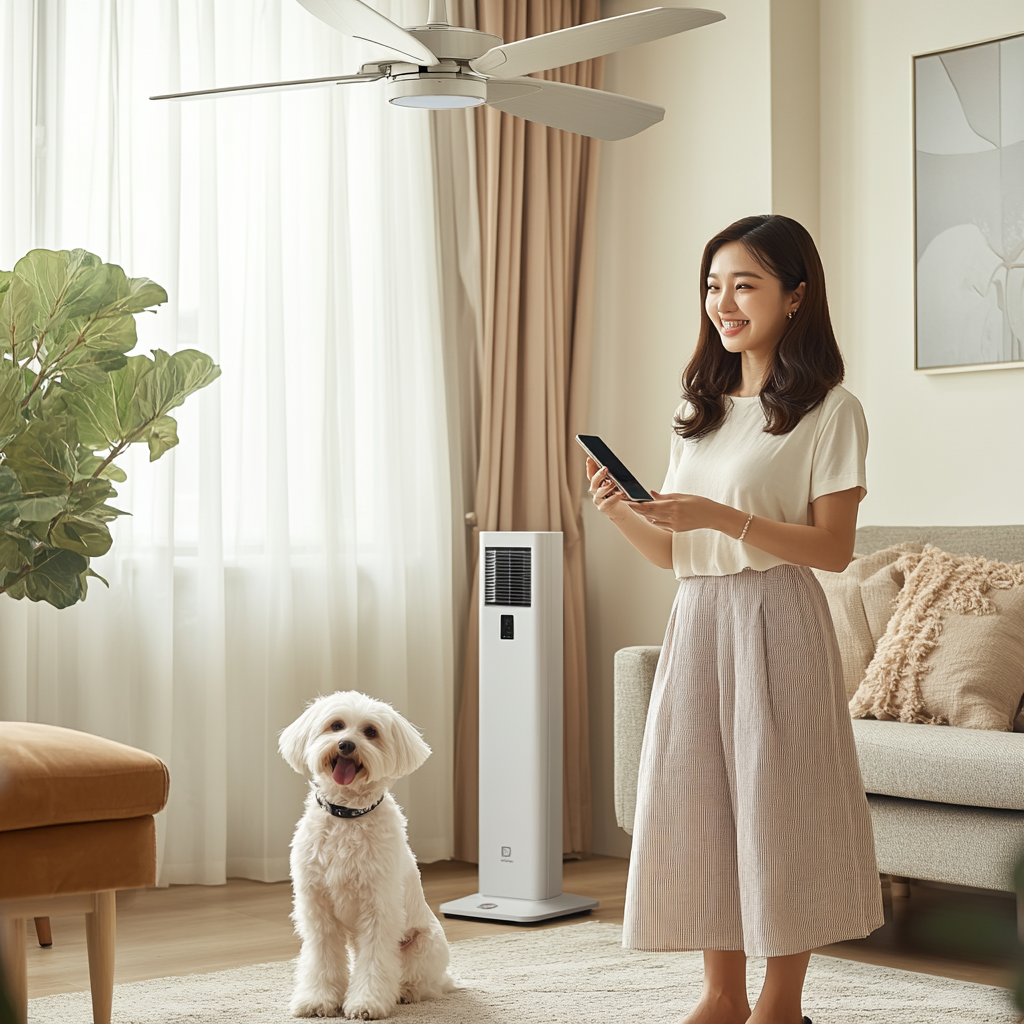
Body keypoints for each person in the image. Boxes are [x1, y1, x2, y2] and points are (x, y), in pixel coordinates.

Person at [587, 214, 883, 1024]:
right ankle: (719, 995)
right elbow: (675, 555)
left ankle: (780, 1004)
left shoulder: (830, 410)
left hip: (778, 619)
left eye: (745, 283)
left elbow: (831, 549)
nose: (724, 302)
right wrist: (621, 512)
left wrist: (719, 515)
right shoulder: (702, 407)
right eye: (714, 285)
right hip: (699, 620)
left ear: (796, 295)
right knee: (702, 801)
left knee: (781, 804)